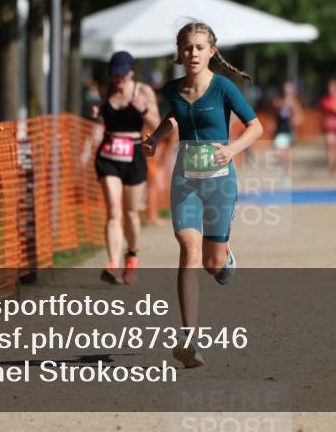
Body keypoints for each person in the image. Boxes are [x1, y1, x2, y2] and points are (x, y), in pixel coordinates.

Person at [141, 22, 263, 369]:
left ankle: (225, 257)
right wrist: (154, 139)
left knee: (212, 264)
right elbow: (174, 118)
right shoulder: (171, 89)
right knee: (188, 250)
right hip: (186, 183)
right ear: (179, 53)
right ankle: (190, 341)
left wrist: (232, 149)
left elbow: (256, 127)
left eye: (199, 47)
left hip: (220, 182)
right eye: (187, 47)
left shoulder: (223, 88)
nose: (193, 53)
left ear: (211, 51)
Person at [90, 51, 160, 285]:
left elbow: (158, 125)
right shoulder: (107, 89)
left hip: (134, 155)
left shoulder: (143, 91)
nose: (117, 78)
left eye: (121, 74)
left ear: (131, 72)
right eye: (114, 74)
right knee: (113, 211)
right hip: (108, 155)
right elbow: (102, 122)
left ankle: (132, 256)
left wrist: (143, 110)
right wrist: (96, 121)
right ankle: (112, 265)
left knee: (130, 213)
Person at [272, 80, 303, 180]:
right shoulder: (279, 101)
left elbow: (300, 118)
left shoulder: (294, 104)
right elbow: (274, 112)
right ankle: (281, 166)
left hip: (289, 130)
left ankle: (286, 174)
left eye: (289, 91)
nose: (287, 93)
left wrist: (294, 119)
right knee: (279, 150)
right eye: (286, 91)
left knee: (287, 153)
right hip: (280, 130)